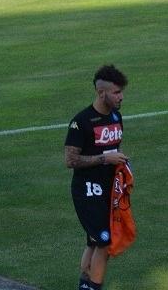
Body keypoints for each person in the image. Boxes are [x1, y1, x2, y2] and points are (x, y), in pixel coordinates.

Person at [64, 65, 130, 290]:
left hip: (109, 190)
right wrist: (105, 159)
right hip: (88, 191)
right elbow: (70, 160)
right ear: (101, 93)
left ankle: (84, 285)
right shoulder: (81, 122)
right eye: (116, 92)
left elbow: (112, 150)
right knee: (104, 242)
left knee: (93, 242)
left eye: (121, 91)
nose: (121, 96)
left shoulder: (116, 117)